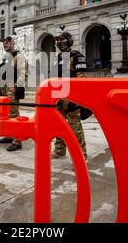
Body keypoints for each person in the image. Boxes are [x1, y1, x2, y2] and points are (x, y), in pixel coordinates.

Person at [51, 31, 88, 159]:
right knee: (59, 126)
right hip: (59, 98)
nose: (59, 42)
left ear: (69, 41)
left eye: (62, 39)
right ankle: (59, 151)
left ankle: (81, 155)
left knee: (75, 128)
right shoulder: (58, 58)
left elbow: (81, 80)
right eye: (58, 40)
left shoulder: (77, 56)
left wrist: (76, 98)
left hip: (72, 98)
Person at [0, 36, 27, 152]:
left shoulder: (19, 56)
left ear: (13, 43)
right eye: (4, 43)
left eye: (7, 43)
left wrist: (15, 88)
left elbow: (23, 73)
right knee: (7, 114)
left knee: (14, 115)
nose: (5, 45)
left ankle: (17, 141)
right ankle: (9, 136)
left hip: (12, 89)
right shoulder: (6, 57)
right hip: (4, 89)